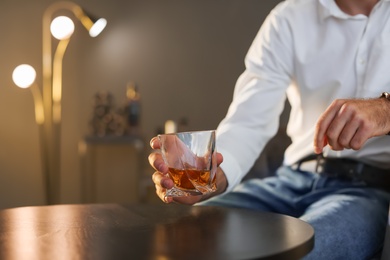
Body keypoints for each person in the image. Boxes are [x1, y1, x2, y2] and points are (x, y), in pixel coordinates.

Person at [148, 0, 390, 258]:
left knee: (303, 254)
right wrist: (209, 177)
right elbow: (249, 121)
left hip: (367, 190)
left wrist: (385, 110)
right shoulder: (291, 16)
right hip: (290, 179)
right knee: (180, 237)